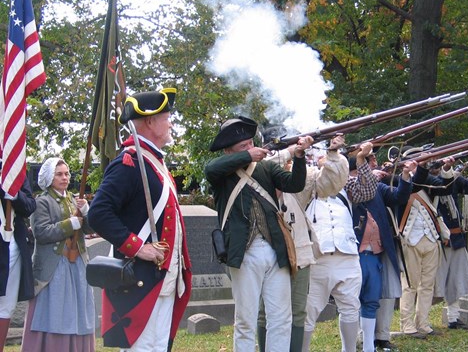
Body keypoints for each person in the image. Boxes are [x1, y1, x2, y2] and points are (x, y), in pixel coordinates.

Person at [88, 88, 192, 351]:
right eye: (167, 117)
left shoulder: (154, 163)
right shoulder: (129, 163)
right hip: (141, 279)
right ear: (149, 121)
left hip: (162, 278)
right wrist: (138, 247)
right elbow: (99, 213)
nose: (170, 123)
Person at [204, 116, 311, 352]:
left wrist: (300, 156)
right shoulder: (221, 172)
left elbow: (295, 184)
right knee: (245, 320)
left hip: (275, 249)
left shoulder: (267, 167)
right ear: (229, 150)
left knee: (281, 317)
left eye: (251, 144)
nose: (250, 148)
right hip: (243, 253)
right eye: (243, 147)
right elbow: (210, 168)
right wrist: (247, 157)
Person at [257, 132, 349, 352]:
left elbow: (331, 185)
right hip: (264, 252)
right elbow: (266, 166)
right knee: (264, 312)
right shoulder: (257, 169)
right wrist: (290, 150)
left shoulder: (301, 175)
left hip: (298, 251)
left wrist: (333, 152)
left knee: (298, 311)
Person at [302, 142, 377, 352]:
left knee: (351, 308)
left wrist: (362, 158)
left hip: (347, 254)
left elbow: (369, 190)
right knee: (309, 312)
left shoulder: (345, 184)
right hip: (318, 257)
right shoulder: (306, 183)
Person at [21, 157, 95, 351]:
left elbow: (87, 229)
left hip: (77, 265)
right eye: (59, 174)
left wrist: (86, 212)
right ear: (49, 177)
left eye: (67, 173)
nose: (65, 177)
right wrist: (69, 224)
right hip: (54, 267)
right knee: (53, 311)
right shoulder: (42, 202)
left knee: (76, 311)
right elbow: (41, 232)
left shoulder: (73, 199)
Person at [349, 149, 414, 352]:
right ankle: (356, 340)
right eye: (371, 159)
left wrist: (405, 175)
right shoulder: (346, 186)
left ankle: (376, 340)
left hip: (376, 252)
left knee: (375, 298)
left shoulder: (378, 186)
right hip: (355, 251)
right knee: (353, 300)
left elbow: (400, 197)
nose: (376, 163)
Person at [397, 153, 456, 340]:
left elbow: (445, 189)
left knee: (427, 285)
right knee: (410, 285)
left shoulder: (426, 179)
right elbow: (414, 184)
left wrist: (446, 169)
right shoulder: (399, 181)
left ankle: (423, 323)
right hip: (409, 238)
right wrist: (419, 167)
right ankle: (407, 325)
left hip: (431, 238)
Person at [432, 155, 468, 330]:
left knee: (455, 279)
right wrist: (448, 171)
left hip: (455, 237)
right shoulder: (424, 182)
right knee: (431, 283)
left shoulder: (452, 178)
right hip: (436, 239)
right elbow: (444, 185)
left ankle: (453, 318)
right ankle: (420, 322)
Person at [0, 168, 36, 352]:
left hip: (11, 246)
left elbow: (30, 206)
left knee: (6, 307)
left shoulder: (15, 170)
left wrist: (13, 194)